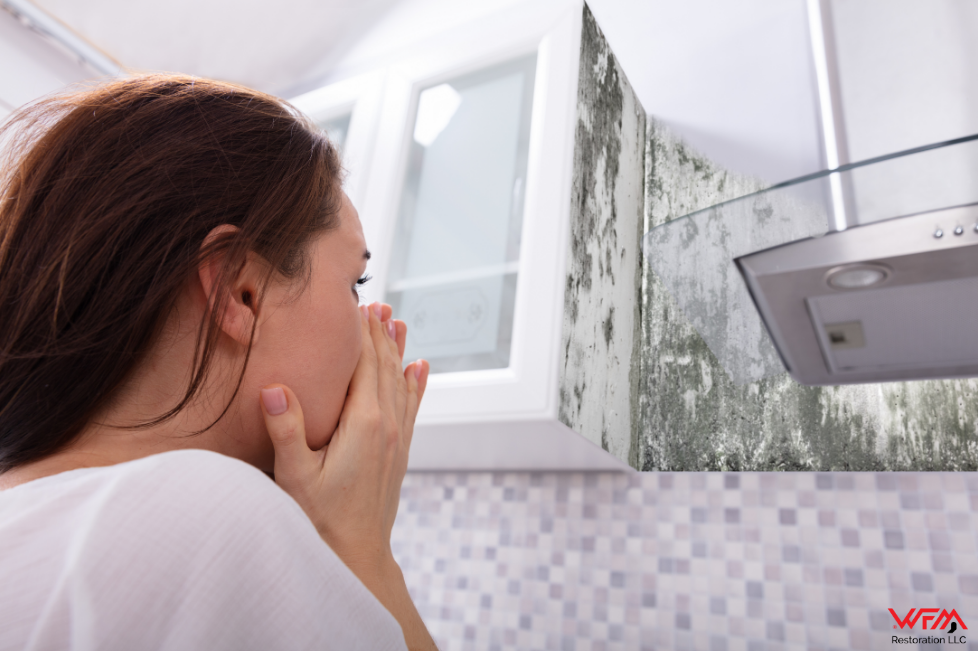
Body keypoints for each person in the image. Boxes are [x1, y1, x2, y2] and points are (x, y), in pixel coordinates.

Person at [0, 74, 437, 650]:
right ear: (240, 291)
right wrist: (364, 551)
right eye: (355, 282)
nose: (373, 322)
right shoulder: (209, 511)